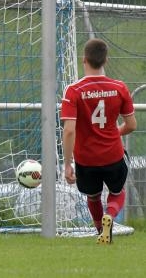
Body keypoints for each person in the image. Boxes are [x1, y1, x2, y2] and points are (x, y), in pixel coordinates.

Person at [61, 38, 137, 245]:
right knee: (117, 192)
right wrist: (113, 134)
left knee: (93, 196)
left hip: (86, 159)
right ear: (105, 60)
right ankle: (110, 216)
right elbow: (131, 125)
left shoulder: (73, 91)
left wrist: (67, 163)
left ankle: (99, 231)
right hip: (113, 154)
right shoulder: (119, 87)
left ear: (84, 59)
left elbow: (69, 130)